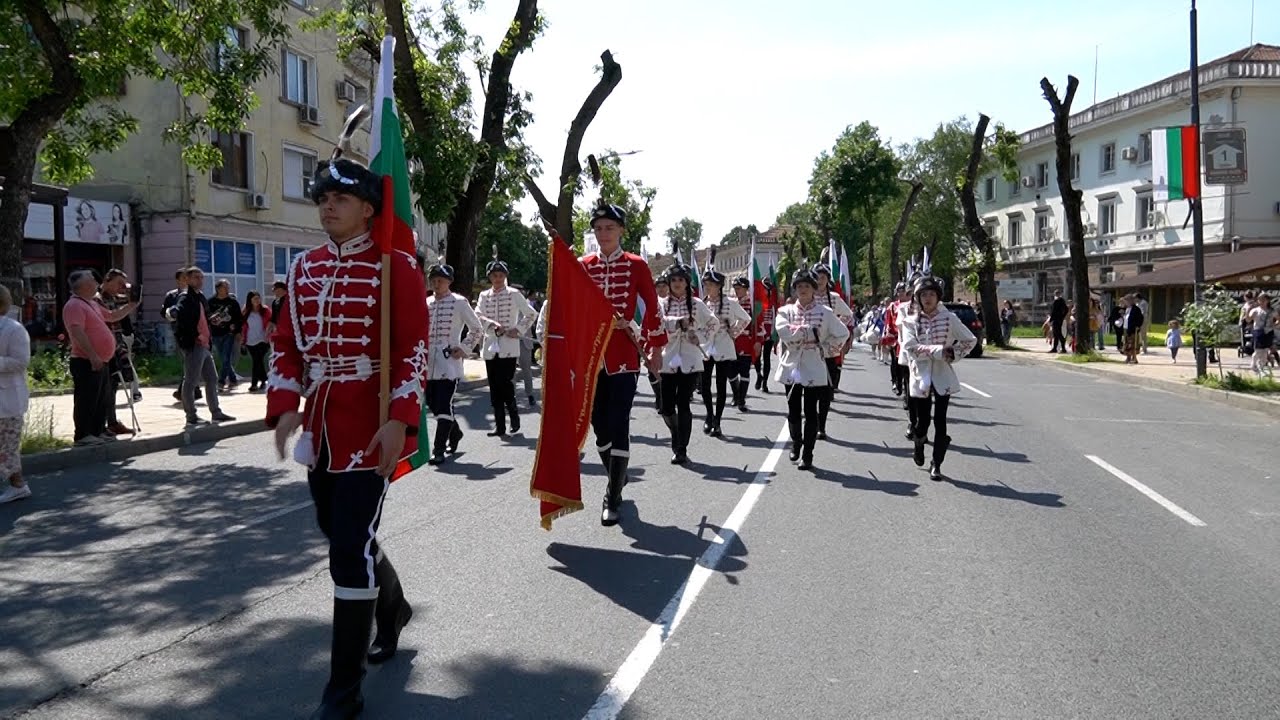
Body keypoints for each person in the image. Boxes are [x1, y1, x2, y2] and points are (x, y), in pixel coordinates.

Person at [268, 156, 429, 720]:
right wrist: (286, 405)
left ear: (367, 208)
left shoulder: (397, 268)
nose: (326, 206)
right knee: (338, 532)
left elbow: (412, 349)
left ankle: (343, 691)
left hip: (371, 422)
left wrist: (400, 418)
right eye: (321, 199)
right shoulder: (303, 269)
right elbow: (285, 344)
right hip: (323, 423)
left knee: (347, 550)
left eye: (339, 199)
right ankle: (395, 604)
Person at [578, 203, 666, 526]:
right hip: (592, 357)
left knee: (619, 424)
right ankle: (618, 473)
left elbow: (651, 306)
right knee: (598, 427)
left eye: (609, 228)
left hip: (625, 355)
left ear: (621, 231)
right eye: (598, 228)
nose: (603, 234)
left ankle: (612, 496)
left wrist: (656, 346)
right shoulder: (583, 265)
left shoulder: (636, 265)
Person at [901, 274, 977, 482]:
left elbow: (970, 339)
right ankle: (919, 441)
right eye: (923, 294)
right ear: (917, 297)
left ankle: (937, 463)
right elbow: (910, 348)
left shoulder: (949, 318)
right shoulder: (909, 322)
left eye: (932, 294)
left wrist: (952, 353)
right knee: (922, 421)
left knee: (941, 421)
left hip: (943, 374)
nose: (928, 298)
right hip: (920, 375)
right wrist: (937, 350)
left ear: (938, 296)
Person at [774, 266, 850, 470]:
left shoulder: (824, 313)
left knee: (810, 411)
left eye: (807, 285)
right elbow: (783, 331)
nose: (803, 289)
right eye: (799, 286)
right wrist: (807, 332)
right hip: (792, 364)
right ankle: (796, 443)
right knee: (792, 409)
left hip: (815, 364)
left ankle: (808, 453)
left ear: (814, 288)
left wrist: (826, 349)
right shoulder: (785, 311)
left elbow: (842, 334)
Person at [64, 271, 134, 445]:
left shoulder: (91, 303)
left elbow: (112, 316)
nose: (97, 282)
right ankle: (83, 434)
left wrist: (132, 305)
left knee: (101, 397)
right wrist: (92, 355)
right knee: (86, 398)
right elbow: (77, 331)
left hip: (101, 359)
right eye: (93, 280)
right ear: (85, 285)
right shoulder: (74, 305)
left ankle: (97, 431)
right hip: (86, 359)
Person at [424, 259, 482, 464]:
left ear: (449, 282)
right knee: (433, 404)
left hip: (448, 363)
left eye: (440, 280)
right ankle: (455, 431)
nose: (436, 284)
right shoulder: (426, 302)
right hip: (427, 363)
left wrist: (464, 348)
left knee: (443, 403)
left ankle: (438, 449)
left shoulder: (459, 302)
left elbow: (477, 329)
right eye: (434, 280)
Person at [658, 260, 714, 463]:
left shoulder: (698, 305)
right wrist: (676, 323)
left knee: (683, 403)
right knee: (666, 407)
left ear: (686, 282)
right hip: (668, 358)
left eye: (680, 279)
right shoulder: (661, 304)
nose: (677, 283)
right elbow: (656, 325)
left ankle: (681, 448)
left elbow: (713, 324)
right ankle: (676, 435)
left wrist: (699, 336)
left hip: (690, 359)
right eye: (673, 280)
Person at [474, 256, 536, 437]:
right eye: (494, 276)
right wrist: (492, 326)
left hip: (509, 346)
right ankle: (499, 425)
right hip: (490, 345)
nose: (497, 279)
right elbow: (477, 314)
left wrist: (517, 329)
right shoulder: (484, 296)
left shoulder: (514, 294)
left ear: (505, 276)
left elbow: (531, 314)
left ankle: (514, 417)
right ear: (490, 277)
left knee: (506, 384)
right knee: (494, 387)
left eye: (500, 275)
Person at [167, 267, 235, 428]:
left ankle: (216, 413)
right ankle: (191, 416)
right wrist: (194, 336)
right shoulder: (185, 297)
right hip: (195, 344)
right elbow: (180, 316)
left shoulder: (200, 297)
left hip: (204, 344)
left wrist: (215, 319)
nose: (200, 280)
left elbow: (204, 317)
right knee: (191, 381)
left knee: (211, 379)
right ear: (188, 280)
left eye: (201, 277)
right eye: (196, 277)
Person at [698, 256, 749, 437]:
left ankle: (717, 421)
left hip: (723, 346)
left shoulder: (730, 303)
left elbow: (746, 319)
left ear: (719, 286)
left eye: (710, 284)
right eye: (706, 285)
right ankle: (709, 416)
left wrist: (733, 332)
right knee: (704, 386)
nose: (707, 288)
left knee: (720, 385)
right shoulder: (702, 303)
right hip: (705, 347)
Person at [810, 263, 853, 439]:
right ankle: (811, 421)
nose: (820, 280)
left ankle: (822, 425)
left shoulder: (834, 298)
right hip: (810, 347)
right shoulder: (808, 296)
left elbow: (848, 315)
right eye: (817, 277)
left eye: (823, 277)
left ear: (828, 279)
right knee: (810, 386)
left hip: (828, 348)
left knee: (827, 389)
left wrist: (836, 327)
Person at [96, 269, 139, 436]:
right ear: (107, 280)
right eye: (119, 283)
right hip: (103, 348)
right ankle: (102, 424)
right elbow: (110, 317)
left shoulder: (113, 298)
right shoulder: (97, 299)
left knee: (113, 385)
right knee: (104, 387)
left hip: (116, 345)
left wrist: (132, 297)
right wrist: (130, 305)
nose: (121, 287)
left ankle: (112, 421)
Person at [0, 286, 31, 504]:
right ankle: (18, 485)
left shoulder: (13, 328)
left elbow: (21, 361)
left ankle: (18, 485)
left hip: (7, 400)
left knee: (7, 446)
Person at [164, 268, 201, 402]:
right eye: (184, 278)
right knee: (187, 360)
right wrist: (173, 316)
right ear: (178, 280)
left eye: (188, 278)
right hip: (179, 332)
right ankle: (189, 391)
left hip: (196, 333)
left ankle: (188, 390)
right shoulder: (172, 296)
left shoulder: (197, 294)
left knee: (192, 362)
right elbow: (165, 312)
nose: (187, 280)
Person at [731, 276, 763, 411]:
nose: (736, 291)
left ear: (746, 289)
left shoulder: (752, 304)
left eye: (739, 288)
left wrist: (758, 341)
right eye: (735, 289)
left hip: (746, 341)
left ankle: (741, 399)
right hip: (732, 342)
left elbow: (758, 323)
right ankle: (736, 394)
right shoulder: (731, 303)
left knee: (744, 371)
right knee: (731, 372)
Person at [208, 279, 243, 391]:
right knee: (223, 358)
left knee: (226, 358)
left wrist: (237, 330)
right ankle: (233, 379)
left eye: (228, 287)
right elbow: (206, 316)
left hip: (229, 333)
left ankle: (221, 381)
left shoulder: (232, 302)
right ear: (218, 289)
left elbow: (239, 318)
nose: (228, 290)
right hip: (216, 333)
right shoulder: (211, 302)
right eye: (225, 287)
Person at [241, 291, 272, 392]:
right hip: (250, 340)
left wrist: (270, 336)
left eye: (258, 298)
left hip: (263, 340)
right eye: (254, 298)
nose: (257, 301)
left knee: (257, 360)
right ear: (250, 300)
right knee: (257, 361)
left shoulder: (265, 310)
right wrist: (242, 340)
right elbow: (243, 327)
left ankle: (254, 383)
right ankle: (264, 379)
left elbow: (271, 323)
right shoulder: (246, 311)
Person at [753, 278, 777, 394]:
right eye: (765, 289)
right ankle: (759, 374)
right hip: (759, 332)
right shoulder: (757, 303)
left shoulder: (773, 303)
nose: (767, 291)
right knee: (757, 356)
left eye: (769, 289)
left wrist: (774, 334)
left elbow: (776, 319)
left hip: (770, 333)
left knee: (766, 357)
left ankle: (765, 383)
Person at [1247, 294, 1276, 377]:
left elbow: (1278, 319)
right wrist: (1248, 311)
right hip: (1258, 332)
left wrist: (1274, 326)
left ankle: (1261, 368)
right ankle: (1253, 365)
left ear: (1268, 301)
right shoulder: (1256, 310)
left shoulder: (1271, 311)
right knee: (1258, 350)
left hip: (1268, 332)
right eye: (1260, 300)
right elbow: (1248, 320)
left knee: (1265, 351)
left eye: (1264, 300)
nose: (1262, 302)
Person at [1117, 293, 1144, 364]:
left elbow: (1140, 318)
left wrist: (1138, 326)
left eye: (1127, 301)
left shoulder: (1136, 309)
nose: (1126, 302)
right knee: (1126, 343)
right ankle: (1128, 357)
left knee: (1133, 344)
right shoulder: (1127, 309)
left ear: (1131, 301)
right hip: (1126, 328)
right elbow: (1126, 318)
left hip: (1133, 329)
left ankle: (1134, 358)